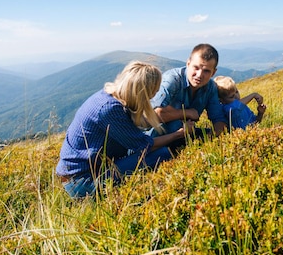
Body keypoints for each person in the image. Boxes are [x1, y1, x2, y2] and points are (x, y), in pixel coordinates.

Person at [56, 61, 194, 199]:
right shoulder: (110, 109)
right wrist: (179, 134)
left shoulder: (107, 96)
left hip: (78, 173)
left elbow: (135, 130)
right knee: (161, 154)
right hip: (84, 181)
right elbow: (144, 146)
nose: (154, 96)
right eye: (154, 92)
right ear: (143, 92)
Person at [150, 44, 228, 144]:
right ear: (188, 63)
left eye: (206, 71)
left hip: (185, 134)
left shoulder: (210, 87)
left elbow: (219, 119)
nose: (199, 75)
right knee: (175, 125)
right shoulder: (172, 80)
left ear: (213, 73)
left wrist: (207, 141)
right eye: (196, 67)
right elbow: (154, 115)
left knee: (225, 130)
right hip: (156, 138)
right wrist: (187, 113)